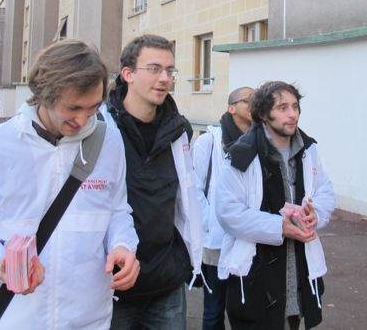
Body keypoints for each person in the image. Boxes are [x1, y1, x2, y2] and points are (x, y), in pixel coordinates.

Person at [0, 40, 140, 329]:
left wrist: (123, 244)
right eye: (73, 108)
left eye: (94, 106)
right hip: (10, 319)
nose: (84, 119)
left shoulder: (108, 140)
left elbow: (117, 210)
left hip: (86, 319)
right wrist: (1, 265)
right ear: (43, 95)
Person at [216, 81, 335, 330]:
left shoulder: (308, 149)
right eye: (282, 107)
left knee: (293, 321)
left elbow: (324, 191)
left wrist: (316, 215)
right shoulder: (242, 155)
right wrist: (278, 226)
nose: (292, 114)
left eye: (295, 106)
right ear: (263, 114)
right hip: (256, 273)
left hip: (298, 269)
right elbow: (228, 212)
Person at [104, 34, 203, 330]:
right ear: (128, 74)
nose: (165, 78)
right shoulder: (101, 128)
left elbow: (187, 197)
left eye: (170, 70)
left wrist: (182, 260)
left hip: (166, 282)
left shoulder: (179, 131)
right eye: (155, 68)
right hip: (112, 283)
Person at [193, 86, 255, 330]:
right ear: (232, 108)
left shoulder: (261, 139)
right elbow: (195, 188)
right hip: (216, 240)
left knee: (248, 309)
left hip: (249, 239)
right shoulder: (209, 142)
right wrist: (210, 222)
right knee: (214, 310)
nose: (255, 104)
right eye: (248, 101)